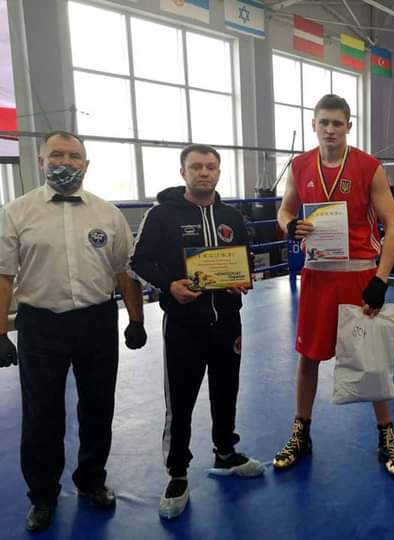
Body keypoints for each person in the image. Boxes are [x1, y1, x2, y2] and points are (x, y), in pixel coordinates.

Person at [0, 131, 147, 532]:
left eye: (74, 156)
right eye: (57, 155)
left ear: (86, 164)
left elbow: (125, 271)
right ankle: (43, 495)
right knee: (42, 413)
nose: (65, 162)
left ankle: (92, 480)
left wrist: (136, 320)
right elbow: (3, 276)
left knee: (98, 407)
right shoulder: (16, 212)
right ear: (41, 162)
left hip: (96, 320)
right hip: (41, 323)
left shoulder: (107, 214)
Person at [273, 94, 394, 477]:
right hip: (317, 274)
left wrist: (381, 279)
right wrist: (288, 225)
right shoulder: (300, 165)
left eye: (337, 123)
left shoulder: (368, 166)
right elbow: (285, 209)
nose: (330, 130)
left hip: (359, 274)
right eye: (324, 123)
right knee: (308, 356)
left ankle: (386, 435)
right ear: (314, 125)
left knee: (371, 358)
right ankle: (301, 432)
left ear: (349, 125)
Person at [129, 144, 264, 520]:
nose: (204, 173)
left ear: (219, 172)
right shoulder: (161, 215)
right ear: (183, 172)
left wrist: (243, 278)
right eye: (196, 167)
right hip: (184, 325)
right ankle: (177, 473)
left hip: (228, 322)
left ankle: (226, 452)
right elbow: (138, 261)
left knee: (227, 391)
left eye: (210, 167)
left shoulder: (231, 216)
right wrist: (168, 285)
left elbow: (244, 258)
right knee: (181, 402)